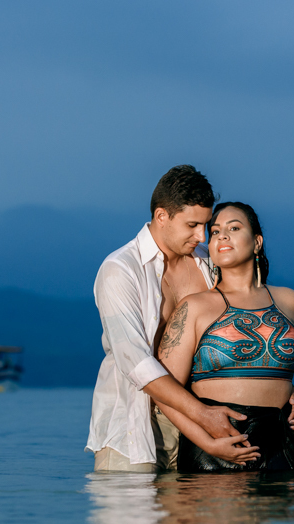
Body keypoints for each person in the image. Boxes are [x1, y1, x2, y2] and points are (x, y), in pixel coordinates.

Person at [87, 166, 258, 472]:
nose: (202, 236)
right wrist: (203, 415)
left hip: (203, 424)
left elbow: (241, 323)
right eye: (192, 225)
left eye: (206, 225)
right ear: (162, 216)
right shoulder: (120, 270)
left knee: (190, 520)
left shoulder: (207, 262)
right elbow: (135, 363)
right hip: (134, 428)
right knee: (136, 519)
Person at [156, 202, 294, 472]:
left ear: (257, 242)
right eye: (214, 232)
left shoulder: (290, 301)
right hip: (215, 447)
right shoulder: (193, 308)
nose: (221, 236)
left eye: (233, 228)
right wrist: (208, 443)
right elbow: (164, 392)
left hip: (283, 447)